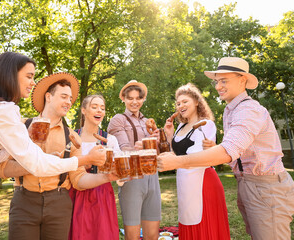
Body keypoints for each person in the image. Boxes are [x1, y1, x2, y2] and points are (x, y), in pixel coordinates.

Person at [0, 52, 105, 240]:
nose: (33, 82)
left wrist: (30, 139)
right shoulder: (2, 109)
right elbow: (35, 164)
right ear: (10, 75)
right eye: (29, 76)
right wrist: (86, 159)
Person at [158, 57, 294, 239]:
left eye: (224, 80)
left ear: (242, 80)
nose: (218, 86)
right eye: (217, 81)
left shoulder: (248, 110)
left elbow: (228, 150)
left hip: (265, 186)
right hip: (247, 183)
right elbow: (235, 150)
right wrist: (215, 149)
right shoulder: (231, 111)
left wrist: (176, 162)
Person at [0, 75, 117, 240]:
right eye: (63, 96)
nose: (68, 101)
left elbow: (79, 180)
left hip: (58, 203)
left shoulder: (72, 137)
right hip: (24, 201)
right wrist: (40, 163)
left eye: (70, 98)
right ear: (48, 96)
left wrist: (106, 176)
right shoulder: (20, 127)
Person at [163, 83, 230, 239]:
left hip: (204, 184)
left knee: (204, 227)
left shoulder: (206, 124)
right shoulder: (179, 127)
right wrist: (169, 135)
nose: (180, 105)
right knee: (188, 220)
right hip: (184, 183)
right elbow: (175, 155)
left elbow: (197, 157)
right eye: (178, 103)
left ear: (197, 102)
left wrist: (212, 148)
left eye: (185, 101)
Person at [107, 80, 161, 240]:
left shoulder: (147, 122)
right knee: (132, 235)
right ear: (123, 98)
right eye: (130, 98)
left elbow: (157, 152)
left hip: (153, 177)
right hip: (132, 177)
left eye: (138, 98)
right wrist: (146, 144)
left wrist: (160, 140)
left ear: (143, 99)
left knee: (152, 234)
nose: (134, 102)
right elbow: (124, 149)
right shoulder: (118, 120)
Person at [68, 94, 121, 240]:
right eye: (94, 107)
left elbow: (120, 172)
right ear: (84, 110)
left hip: (102, 193)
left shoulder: (110, 140)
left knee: (103, 234)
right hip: (75, 192)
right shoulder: (71, 137)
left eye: (102, 108)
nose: (99, 111)